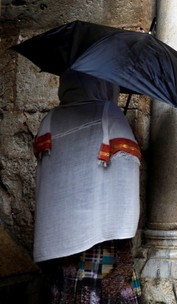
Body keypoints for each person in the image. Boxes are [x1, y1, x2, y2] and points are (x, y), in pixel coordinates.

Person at [33, 70, 142, 303]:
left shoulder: (50, 119)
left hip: (59, 233)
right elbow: (126, 169)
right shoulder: (107, 112)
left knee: (62, 291)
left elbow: (47, 178)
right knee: (97, 293)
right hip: (98, 232)